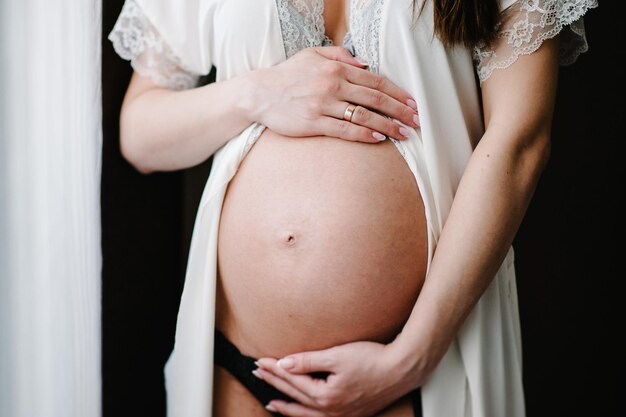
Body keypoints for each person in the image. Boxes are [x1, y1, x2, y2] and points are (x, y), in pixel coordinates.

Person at [108, 0, 597, 416]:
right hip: (235, 364)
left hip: (416, 363)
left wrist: (412, 357)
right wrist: (254, 95)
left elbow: (521, 143)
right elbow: (140, 134)